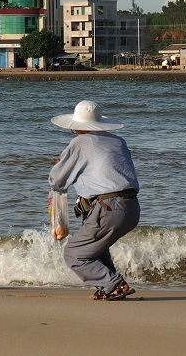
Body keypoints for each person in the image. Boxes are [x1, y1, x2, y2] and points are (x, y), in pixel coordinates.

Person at [49, 100, 140, 301]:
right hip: (132, 208)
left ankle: (114, 284)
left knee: (73, 254)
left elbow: (57, 180)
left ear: (77, 127)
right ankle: (106, 286)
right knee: (97, 249)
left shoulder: (80, 142)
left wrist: (60, 162)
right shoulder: (118, 141)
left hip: (109, 208)